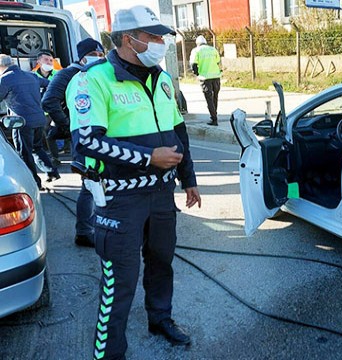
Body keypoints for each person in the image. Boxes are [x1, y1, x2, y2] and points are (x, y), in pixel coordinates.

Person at [66, 6, 201, 359]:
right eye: (154, 36)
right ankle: (109, 352)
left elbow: (178, 132)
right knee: (119, 280)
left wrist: (189, 178)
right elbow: (87, 141)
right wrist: (148, 158)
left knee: (161, 262)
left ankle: (160, 318)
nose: (161, 43)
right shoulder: (92, 79)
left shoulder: (162, 78)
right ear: (130, 39)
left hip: (161, 195)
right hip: (120, 199)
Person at [42, 38, 105, 248]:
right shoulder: (68, 73)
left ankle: (95, 226)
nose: (98, 58)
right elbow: (49, 100)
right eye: (94, 54)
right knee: (89, 183)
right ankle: (85, 231)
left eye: (100, 54)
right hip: (83, 135)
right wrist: (69, 125)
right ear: (82, 56)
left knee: (97, 182)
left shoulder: (97, 74)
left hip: (98, 135)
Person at [0, 54, 60, 189]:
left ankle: (34, 183)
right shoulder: (31, 75)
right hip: (39, 118)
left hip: (21, 122)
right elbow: (50, 84)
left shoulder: (5, 79)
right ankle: (52, 171)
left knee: (24, 152)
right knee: (37, 147)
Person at [34, 50, 63, 165]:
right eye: (46, 60)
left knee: (61, 132)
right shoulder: (32, 76)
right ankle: (54, 158)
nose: (49, 62)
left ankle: (60, 155)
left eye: (51, 60)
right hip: (42, 111)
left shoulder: (59, 74)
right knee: (47, 134)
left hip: (58, 109)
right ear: (39, 61)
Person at [189, 35, 222, 126]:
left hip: (205, 78)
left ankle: (214, 118)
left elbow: (193, 64)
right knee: (215, 97)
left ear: (197, 43)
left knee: (209, 98)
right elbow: (218, 61)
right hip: (216, 76)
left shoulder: (196, 50)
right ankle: (215, 113)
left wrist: (197, 73)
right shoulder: (213, 49)